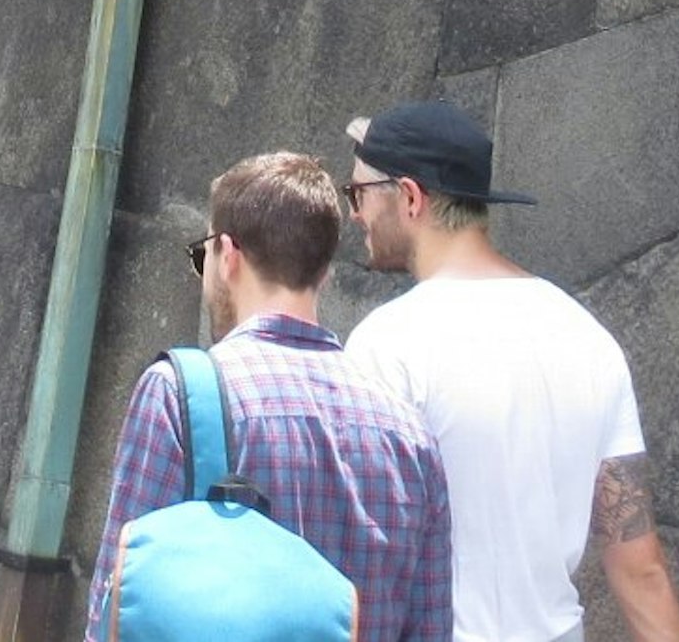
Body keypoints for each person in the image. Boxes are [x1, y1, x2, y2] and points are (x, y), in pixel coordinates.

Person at [344, 101, 679, 642]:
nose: (354, 214)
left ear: (410, 197)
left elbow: (364, 555)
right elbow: (640, 568)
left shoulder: (388, 345)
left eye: (358, 194)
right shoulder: (588, 338)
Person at [87, 150, 454, 642]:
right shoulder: (411, 436)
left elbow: (115, 609)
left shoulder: (181, 395)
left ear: (229, 255)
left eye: (204, 256)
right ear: (323, 273)